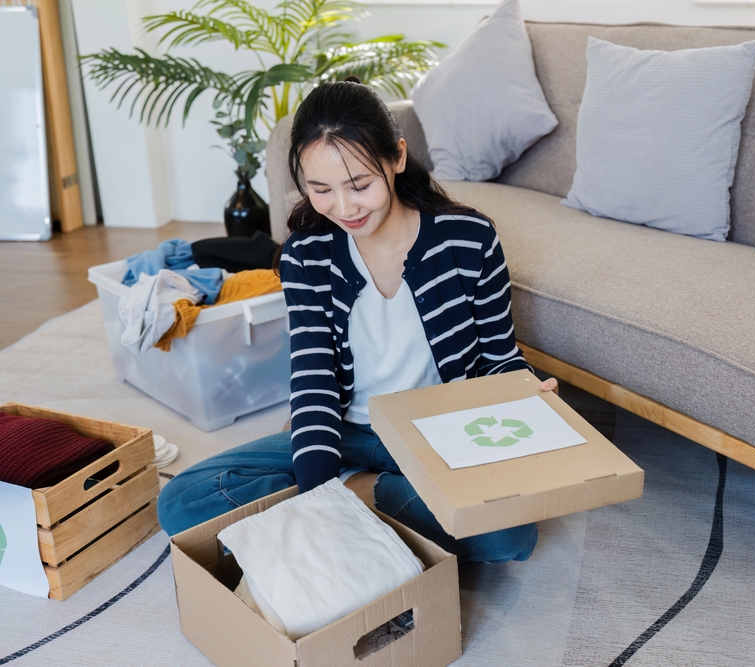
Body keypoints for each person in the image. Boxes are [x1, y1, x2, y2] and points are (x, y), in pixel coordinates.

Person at [157, 77, 556, 564]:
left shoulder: (469, 238)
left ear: (398, 157)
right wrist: (320, 493)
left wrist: (527, 394)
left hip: (439, 437)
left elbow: (499, 357)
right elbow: (314, 381)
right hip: (345, 434)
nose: (343, 208)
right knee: (183, 500)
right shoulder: (307, 253)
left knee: (509, 539)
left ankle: (363, 496)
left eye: (360, 185)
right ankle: (355, 499)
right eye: (320, 189)